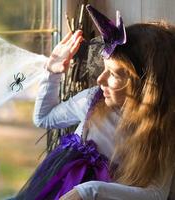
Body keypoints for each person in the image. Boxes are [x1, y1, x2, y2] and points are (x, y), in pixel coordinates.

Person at [31, 5, 175, 200]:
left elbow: (156, 194)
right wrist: (53, 73)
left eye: (114, 73)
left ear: (145, 84)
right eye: (104, 69)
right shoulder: (92, 100)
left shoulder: (163, 130)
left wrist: (89, 191)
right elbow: (44, 118)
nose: (100, 79)